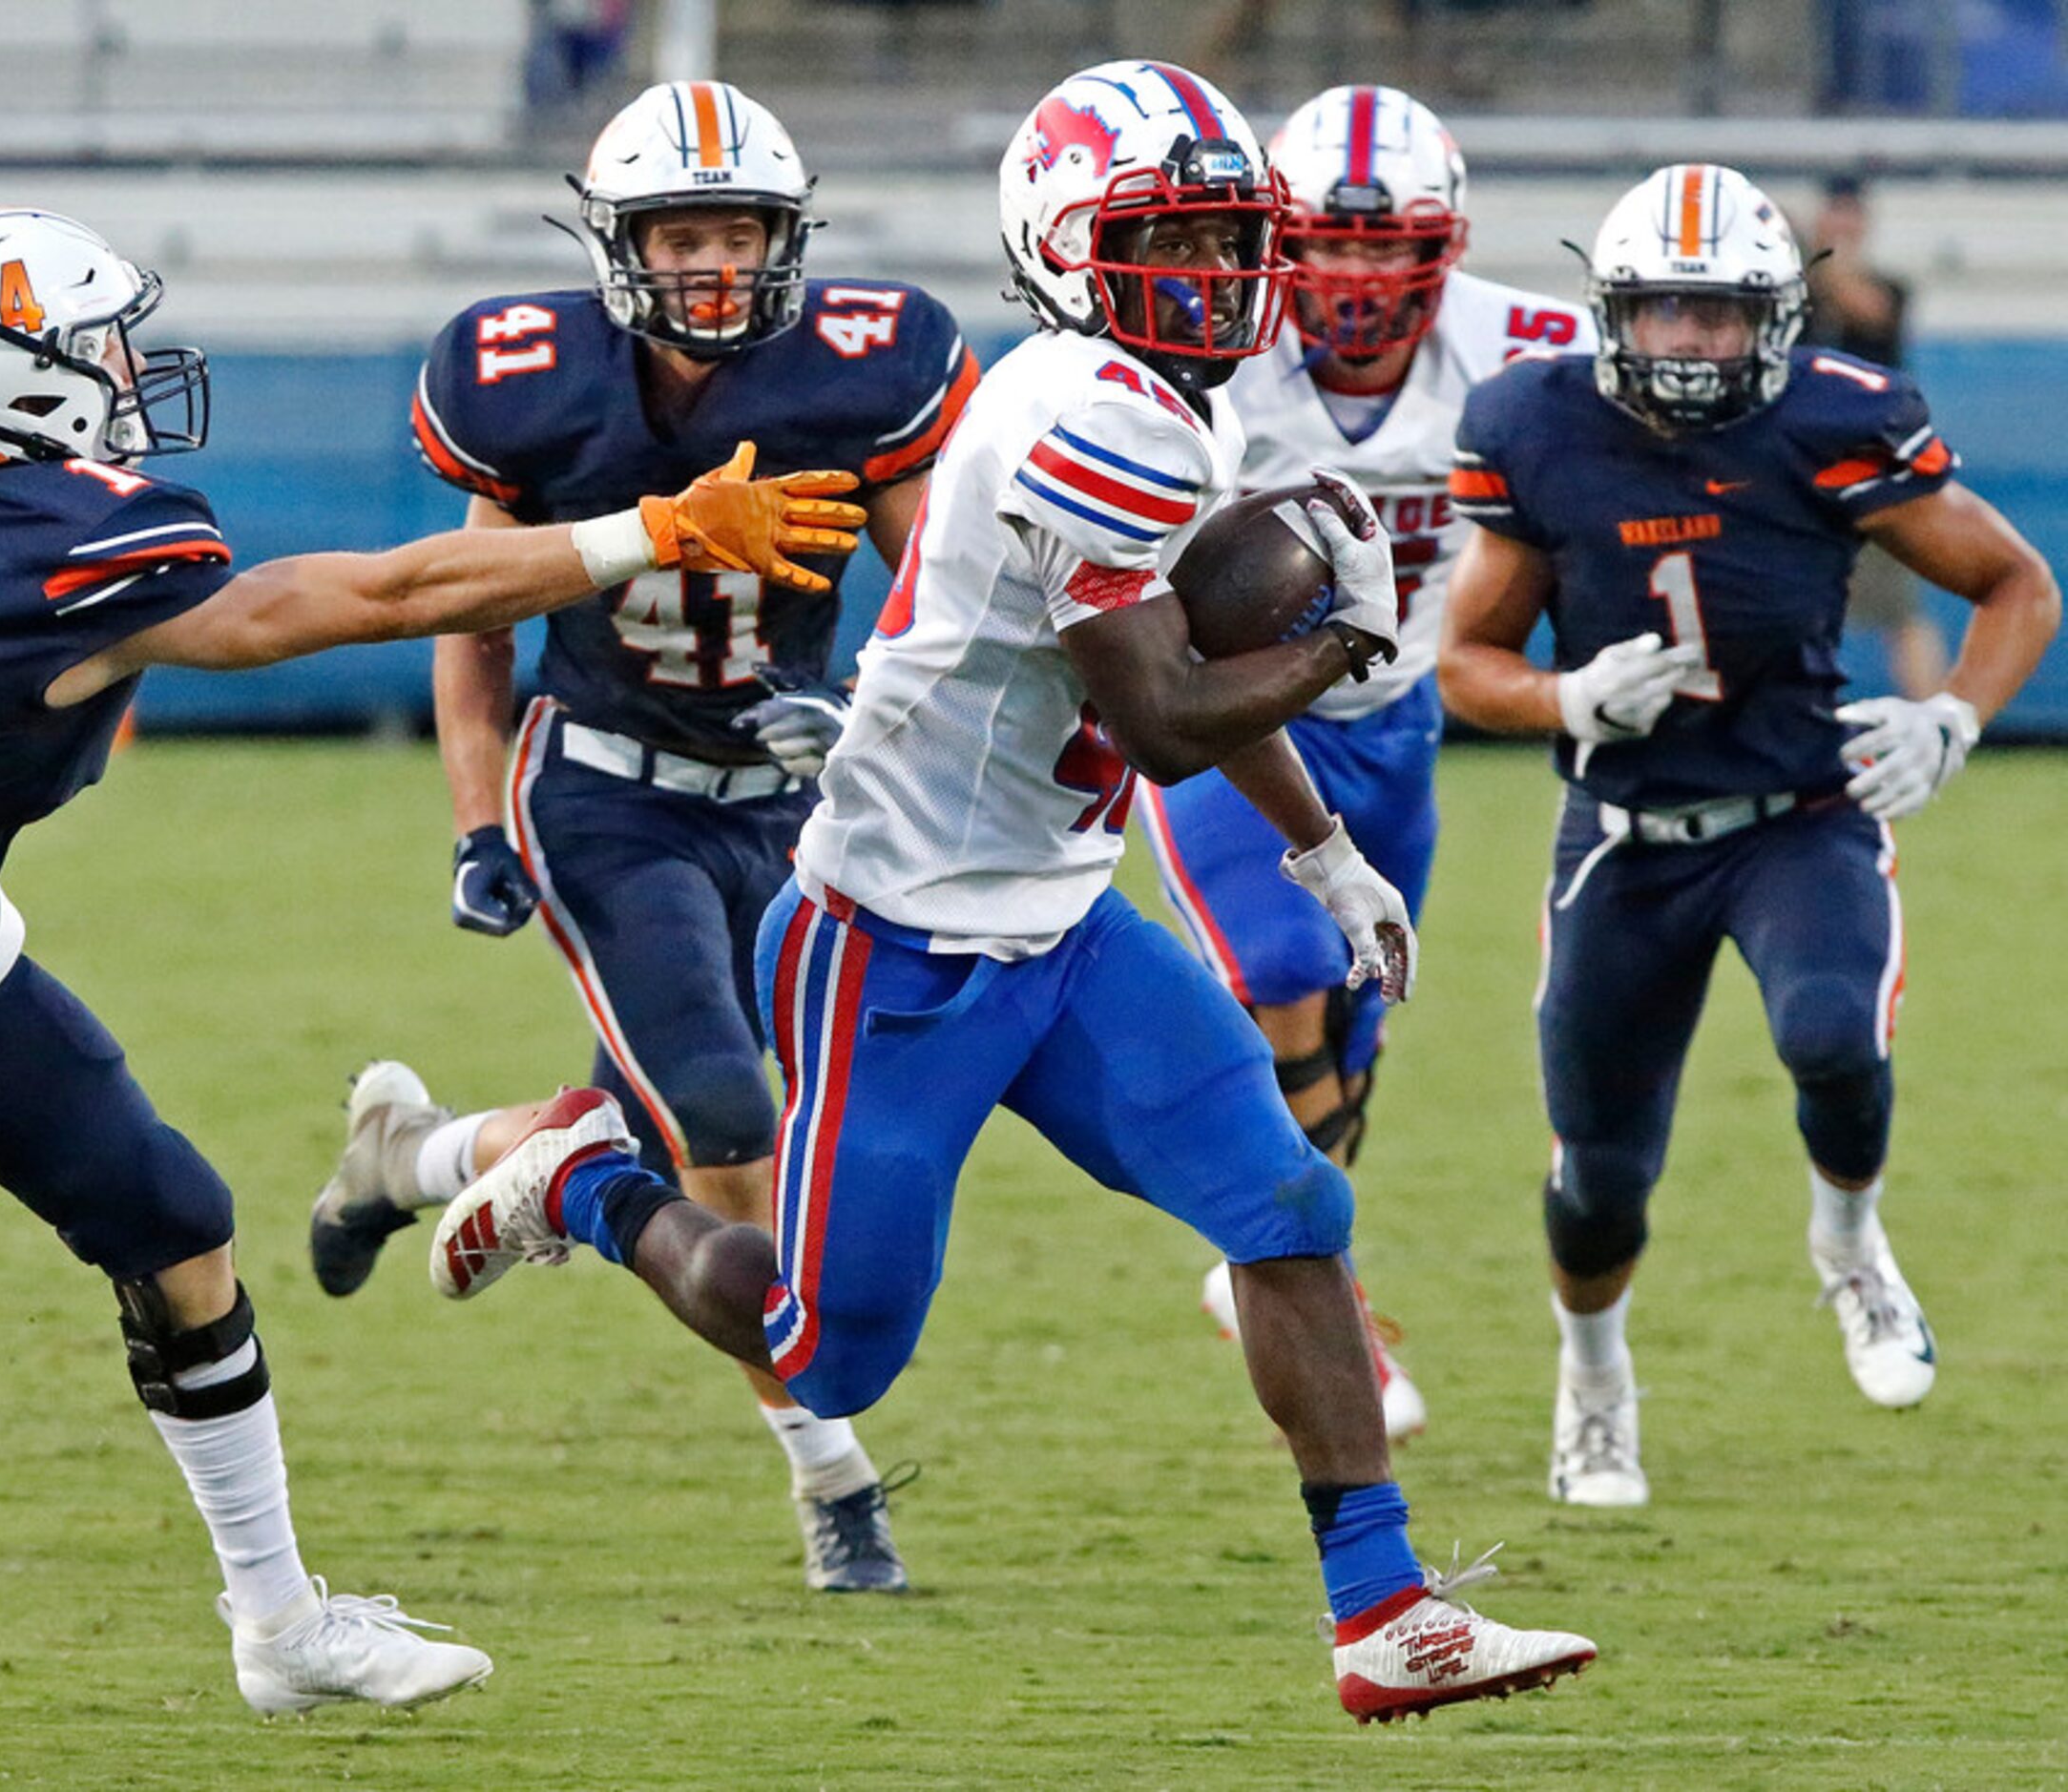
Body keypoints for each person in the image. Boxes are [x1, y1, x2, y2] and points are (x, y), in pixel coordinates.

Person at [419, 60, 1598, 1723]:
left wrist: (1325, 848)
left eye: (1222, 237)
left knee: (1289, 1206)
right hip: (893, 943)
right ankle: (586, 1180)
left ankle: (1383, 1607)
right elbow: (1162, 715)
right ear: (1065, 246)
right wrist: (1344, 645)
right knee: (826, 1347)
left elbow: (1181, 669)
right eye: (1165, 240)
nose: (1210, 275)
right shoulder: (1088, 412)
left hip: (1061, 919)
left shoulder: (1148, 394)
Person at [0, 205, 860, 1709]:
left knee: (173, 1218)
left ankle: (284, 1625)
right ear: (9, 383)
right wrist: (642, 532)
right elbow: (373, 597)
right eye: (93, 345)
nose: (126, 365)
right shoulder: (49, 557)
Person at [308, 79, 976, 1594]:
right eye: (681, 234)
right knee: (729, 1126)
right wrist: (480, 821)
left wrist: (867, 718)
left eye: (739, 232)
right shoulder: (521, 379)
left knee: (681, 1125)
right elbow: (473, 620)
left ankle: (412, 1153)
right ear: (620, 243)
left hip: (799, 799)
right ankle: (832, 1470)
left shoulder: (869, 371)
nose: (714, 266)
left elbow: (944, 601)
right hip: (607, 795)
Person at [1437, 163, 2058, 1508]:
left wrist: (1955, 714)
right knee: (1600, 1174)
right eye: (1668, 312)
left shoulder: (1837, 424)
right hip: (1627, 829)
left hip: (1799, 813)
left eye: (1723, 315)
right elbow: (1464, 663)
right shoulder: (1534, 426)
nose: (1696, 342)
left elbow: (2016, 581)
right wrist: (1563, 695)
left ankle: (1849, 1244)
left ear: (1777, 319)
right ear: (1615, 313)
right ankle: (1594, 1386)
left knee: (1833, 1032)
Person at [1144, 84, 1594, 1442]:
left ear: (1444, 247)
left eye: (1385, 245)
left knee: (1355, 1007)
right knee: (1281, 971)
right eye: (1325, 246)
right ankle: (1302, 1279)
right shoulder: (1202, 341)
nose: (1349, 275)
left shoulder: (1532, 347)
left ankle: (1266, 1257)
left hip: (1396, 717)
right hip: (1229, 710)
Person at [1805, 173, 1950, 699]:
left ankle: (1936, 721)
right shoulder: (1797, 295)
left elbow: (1866, 307)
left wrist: (1822, 256)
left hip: (1870, 472)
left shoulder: (1886, 287)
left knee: (1901, 611)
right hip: (1803, 473)